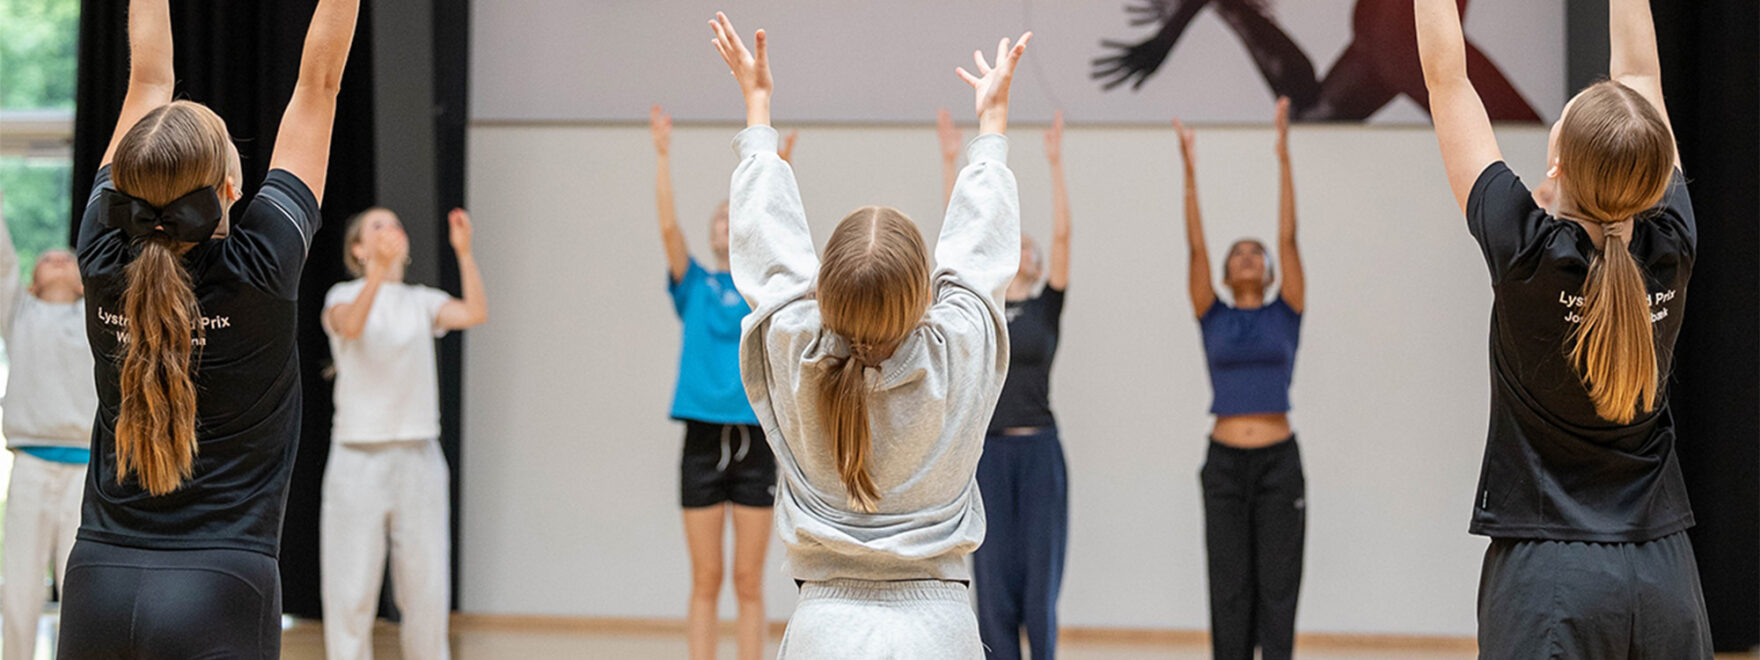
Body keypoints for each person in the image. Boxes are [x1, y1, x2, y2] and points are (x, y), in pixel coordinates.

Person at [709, 12, 1027, 658]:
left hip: (825, 628)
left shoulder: (796, 356)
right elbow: (979, 251)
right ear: (925, 297)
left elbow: (768, 248)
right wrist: (991, 127)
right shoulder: (959, 355)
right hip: (941, 629)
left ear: (824, 293)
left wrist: (758, 110)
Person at [56, 0, 357, 654]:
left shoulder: (101, 256)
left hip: (95, 583)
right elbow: (320, 83)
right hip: (222, 588)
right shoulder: (262, 265)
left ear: (125, 197)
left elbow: (147, 79)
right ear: (228, 186)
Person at [1417, 0, 1711, 656]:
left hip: (1548, 574)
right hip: (1663, 571)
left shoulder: (1523, 251)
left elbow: (1445, 80)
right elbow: (1639, 71)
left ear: (1556, 167)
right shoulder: (1673, 243)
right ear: (1653, 178)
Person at [648, 104, 792, 660]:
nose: (726, 222)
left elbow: (776, 232)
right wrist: (663, 156)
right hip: (703, 442)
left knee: (750, 582)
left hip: (756, 440)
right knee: (706, 580)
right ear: (711, 235)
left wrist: (776, 174)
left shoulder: (763, 289)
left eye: (736, 217)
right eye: (719, 218)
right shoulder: (695, 285)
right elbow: (667, 227)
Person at [320, 206, 487, 660]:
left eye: (396, 223)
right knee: (351, 590)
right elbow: (350, 326)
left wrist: (465, 253)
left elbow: (474, 312)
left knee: (427, 591)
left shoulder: (422, 301)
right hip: (358, 457)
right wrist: (376, 274)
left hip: (419, 456)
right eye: (378, 225)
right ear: (357, 248)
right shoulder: (343, 294)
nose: (391, 229)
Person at [940, 110, 1073, 660]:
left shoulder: (1047, 306)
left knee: (1040, 583)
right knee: (991, 582)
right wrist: (952, 162)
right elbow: (959, 242)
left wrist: (1055, 163)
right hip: (988, 454)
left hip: (1040, 449)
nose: (1029, 249)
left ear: (1040, 265)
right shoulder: (984, 307)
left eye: (1034, 248)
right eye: (1017, 243)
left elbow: (1064, 233)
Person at [1177, 98, 1306, 660]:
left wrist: (1283, 159)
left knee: (1277, 593)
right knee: (1229, 593)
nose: (1250, 257)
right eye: (1240, 254)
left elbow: (1290, 239)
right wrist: (1189, 176)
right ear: (1228, 276)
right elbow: (1197, 248)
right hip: (1225, 467)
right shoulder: (1213, 314)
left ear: (1271, 271)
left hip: (1280, 465)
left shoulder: (1286, 312)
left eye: (1258, 253)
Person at [0, 198, 94, 660]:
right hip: (32, 466)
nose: (58, 257)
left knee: (81, 585)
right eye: (48, 258)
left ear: (83, 281)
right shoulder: (19, 314)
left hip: (86, 472)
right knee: (19, 583)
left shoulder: (97, 320)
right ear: (33, 283)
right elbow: (2, 261)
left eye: (68, 258)